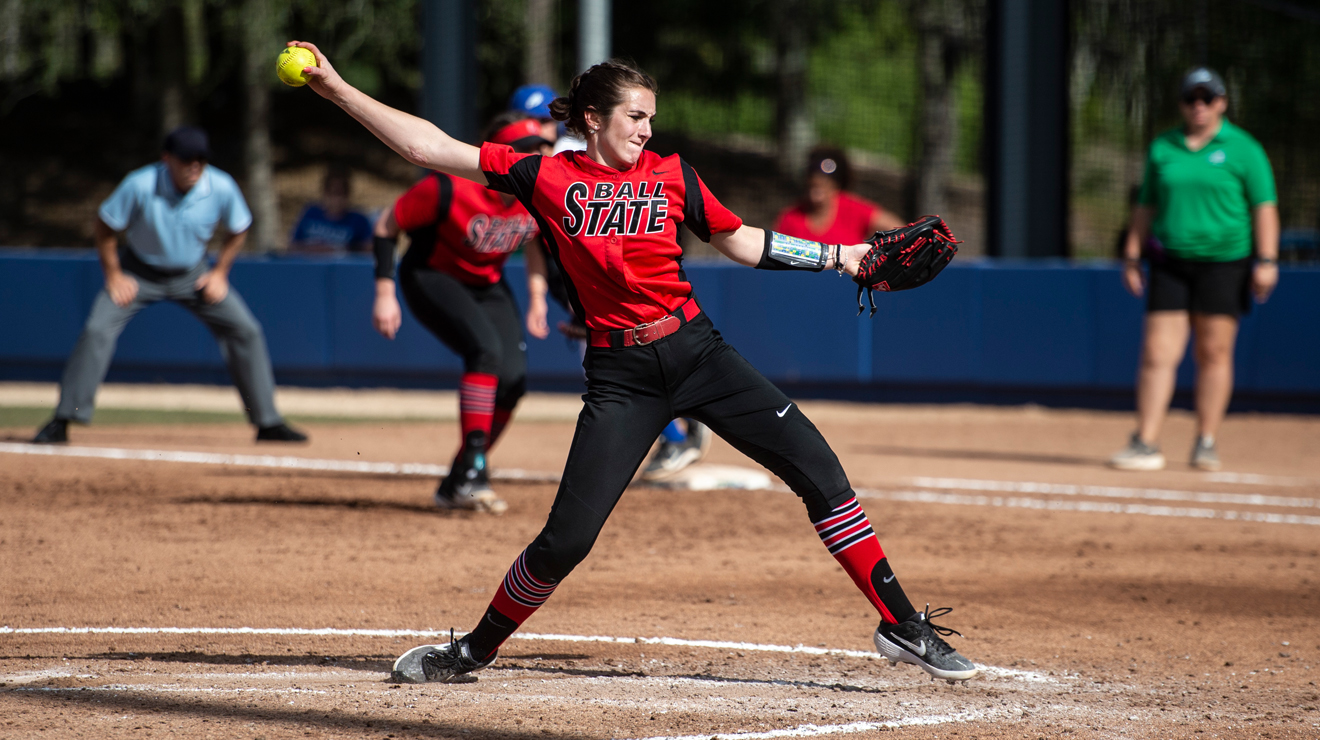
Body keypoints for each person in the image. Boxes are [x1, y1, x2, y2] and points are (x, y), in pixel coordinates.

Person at [288, 41, 978, 684]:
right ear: (593, 118)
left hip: (699, 352)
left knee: (821, 471)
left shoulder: (673, 174)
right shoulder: (544, 173)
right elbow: (430, 146)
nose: (647, 129)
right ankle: (473, 649)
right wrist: (338, 88)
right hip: (622, 378)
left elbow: (740, 241)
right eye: (635, 116)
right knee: (565, 542)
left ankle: (902, 624)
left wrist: (840, 258)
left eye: (652, 117)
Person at [32, 127, 307, 445]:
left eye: (201, 159)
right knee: (96, 329)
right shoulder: (140, 184)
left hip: (193, 274)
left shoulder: (220, 185)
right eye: (187, 158)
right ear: (167, 159)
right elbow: (105, 225)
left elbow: (239, 227)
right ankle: (63, 419)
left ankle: (268, 422)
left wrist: (219, 273)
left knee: (246, 330)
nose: (194, 165)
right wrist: (113, 275)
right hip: (139, 272)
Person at [370, 112, 550, 513]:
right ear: (502, 157)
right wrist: (384, 291)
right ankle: (472, 470)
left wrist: (538, 297)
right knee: (484, 351)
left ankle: (458, 478)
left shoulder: (538, 193)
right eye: (528, 153)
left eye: (542, 153)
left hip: (488, 283)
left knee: (514, 381)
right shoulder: (449, 187)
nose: (538, 161)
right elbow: (386, 226)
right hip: (432, 276)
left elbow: (537, 244)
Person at [1110, 67, 1279, 472]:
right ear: (1183, 104)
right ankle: (1146, 441)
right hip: (1170, 261)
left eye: (1207, 98)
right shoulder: (1164, 147)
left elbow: (1264, 207)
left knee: (1213, 351)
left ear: (1221, 102)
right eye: (1191, 98)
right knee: (1157, 352)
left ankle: (1206, 440)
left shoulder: (1244, 149)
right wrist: (1132, 255)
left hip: (1225, 262)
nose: (1198, 106)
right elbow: (1146, 205)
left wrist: (1268, 260)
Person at [773, 146, 904, 245]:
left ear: (838, 184)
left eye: (826, 180)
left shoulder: (853, 210)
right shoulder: (790, 218)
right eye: (813, 178)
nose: (818, 182)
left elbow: (899, 230)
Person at [288, 163, 373, 253]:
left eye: (341, 193)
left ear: (348, 195)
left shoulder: (359, 220)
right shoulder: (311, 213)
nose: (336, 199)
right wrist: (312, 249)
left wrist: (339, 249)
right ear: (324, 193)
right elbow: (292, 246)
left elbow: (369, 249)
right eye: (332, 192)